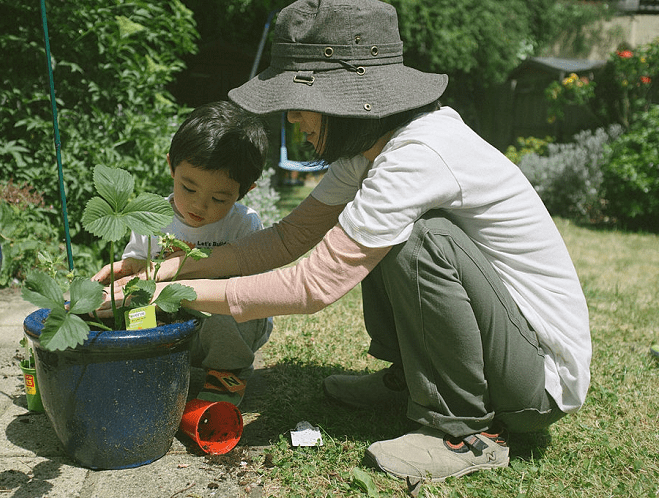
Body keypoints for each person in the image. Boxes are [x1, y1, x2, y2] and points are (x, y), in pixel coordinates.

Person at [97, 0, 591, 483]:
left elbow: (313, 285)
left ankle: (459, 432)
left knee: (421, 241)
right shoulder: (369, 150)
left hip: (537, 383)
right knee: (386, 233)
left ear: (343, 96)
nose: (292, 119)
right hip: (503, 352)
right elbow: (287, 239)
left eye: (300, 104)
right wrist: (162, 270)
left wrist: (166, 297)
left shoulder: (420, 153)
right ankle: (413, 378)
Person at [94, 100, 273, 406]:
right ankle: (152, 364)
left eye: (219, 198)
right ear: (171, 168)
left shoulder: (244, 223)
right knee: (131, 308)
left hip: (222, 320)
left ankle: (228, 373)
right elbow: (139, 261)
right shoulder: (152, 215)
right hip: (175, 323)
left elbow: (252, 290)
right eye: (188, 188)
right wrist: (129, 267)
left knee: (228, 316)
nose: (199, 206)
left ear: (246, 190)